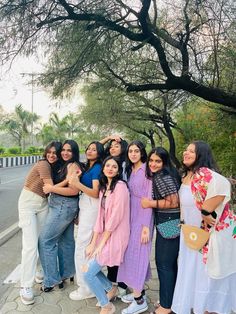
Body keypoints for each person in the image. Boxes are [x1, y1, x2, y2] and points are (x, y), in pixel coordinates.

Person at [172, 140, 236, 314]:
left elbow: (224, 186)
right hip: (190, 234)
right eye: (186, 150)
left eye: (191, 151)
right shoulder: (186, 175)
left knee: (205, 274)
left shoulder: (206, 175)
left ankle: (207, 308)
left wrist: (206, 212)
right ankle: (195, 305)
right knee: (191, 272)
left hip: (207, 235)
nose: (186, 153)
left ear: (201, 155)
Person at [83, 156, 130, 314]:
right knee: (88, 270)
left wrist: (100, 246)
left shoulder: (121, 187)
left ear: (118, 171)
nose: (110, 168)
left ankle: (107, 305)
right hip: (104, 236)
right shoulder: (104, 189)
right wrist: (92, 243)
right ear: (103, 168)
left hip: (115, 236)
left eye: (114, 167)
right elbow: (100, 218)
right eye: (108, 165)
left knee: (88, 274)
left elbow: (115, 218)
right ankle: (111, 288)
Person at [18, 141, 62, 305]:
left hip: (42, 204)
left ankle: (38, 271)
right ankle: (25, 286)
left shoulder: (55, 167)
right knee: (29, 246)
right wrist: (70, 181)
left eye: (55, 153)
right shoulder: (43, 164)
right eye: (49, 152)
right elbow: (49, 187)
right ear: (46, 153)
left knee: (41, 240)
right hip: (28, 203)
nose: (52, 155)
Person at [38, 139, 82, 291]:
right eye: (63, 150)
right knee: (66, 241)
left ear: (74, 152)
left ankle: (51, 280)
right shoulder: (66, 164)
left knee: (45, 241)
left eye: (69, 150)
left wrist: (51, 189)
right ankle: (67, 273)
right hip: (67, 207)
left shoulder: (72, 165)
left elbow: (74, 190)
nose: (65, 152)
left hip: (62, 206)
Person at [141, 147, 181, 314]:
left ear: (164, 162)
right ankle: (172, 300)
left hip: (169, 222)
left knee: (164, 265)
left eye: (158, 161)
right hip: (171, 222)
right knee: (170, 265)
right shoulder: (167, 174)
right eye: (151, 160)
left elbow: (173, 202)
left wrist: (150, 203)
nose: (153, 164)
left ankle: (166, 307)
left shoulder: (162, 177)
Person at [117, 140, 153, 314]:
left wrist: (146, 226)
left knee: (137, 255)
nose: (133, 154)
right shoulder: (129, 169)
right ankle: (140, 293)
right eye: (130, 151)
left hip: (143, 217)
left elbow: (148, 198)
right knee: (131, 255)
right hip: (131, 216)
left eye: (136, 151)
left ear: (142, 153)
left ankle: (139, 302)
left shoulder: (147, 170)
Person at [68, 141, 104, 300]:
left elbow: (95, 192)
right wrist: (107, 137)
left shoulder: (97, 168)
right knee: (86, 246)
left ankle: (85, 288)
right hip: (86, 206)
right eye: (88, 148)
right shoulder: (89, 166)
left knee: (82, 246)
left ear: (99, 152)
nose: (89, 151)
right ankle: (90, 283)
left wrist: (77, 184)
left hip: (91, 205)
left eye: (94, 149)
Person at [100, 135, 129, 297]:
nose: (113, 148)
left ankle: (122, 285)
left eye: (116, 146)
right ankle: (113, 285)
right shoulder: (107, 168)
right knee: (112, 252)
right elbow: (97, 146)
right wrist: (110, 137)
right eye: (111, 146)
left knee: (119, 251)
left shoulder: (125, 166)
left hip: (122, 210)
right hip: (109, 212)